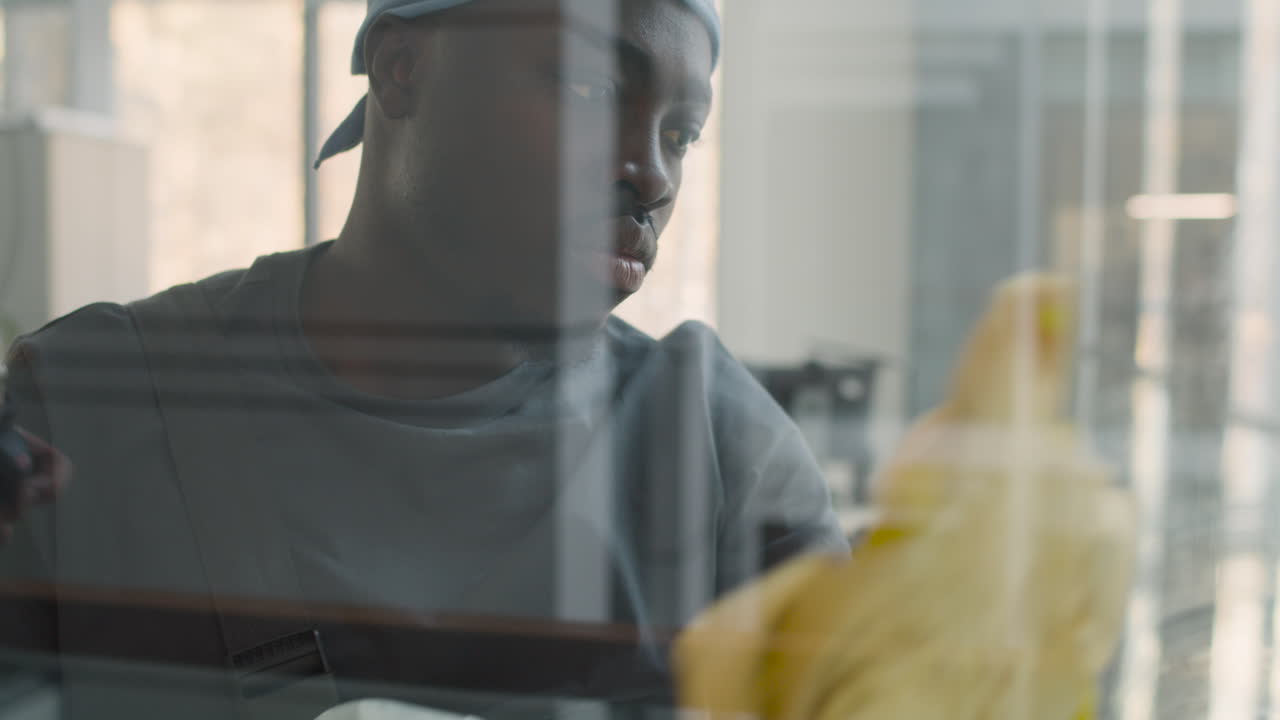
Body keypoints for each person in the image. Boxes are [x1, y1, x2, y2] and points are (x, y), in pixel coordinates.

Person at [0, 0, 847, 717]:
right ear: (402, 68)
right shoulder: (89, 411)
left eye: (682, 132)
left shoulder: (716, 450)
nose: (654, 176)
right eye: (590, 88)